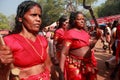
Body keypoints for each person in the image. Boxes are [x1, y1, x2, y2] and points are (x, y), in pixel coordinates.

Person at [0, 1, 52, 80]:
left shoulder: (42, 40)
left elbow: (48, 65)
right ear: (20, 18)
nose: (38, 19)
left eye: (39, 16)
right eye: (33, 15)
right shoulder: (8, 41)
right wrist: (2, 66)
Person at [59, 11, 101, 80]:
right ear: (73, 21)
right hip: (75, 66)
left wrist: (97, 38)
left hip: (88, 64)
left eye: (83, 19)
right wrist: (61, 73)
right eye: (79, 19)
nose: (82, 21)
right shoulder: (70, 34)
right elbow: (63, 53)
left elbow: (89, 47)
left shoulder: (85, 33)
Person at [51, 15, 69, 80]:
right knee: (63, 69)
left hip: (67, 52)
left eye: (68, 23)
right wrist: (55, 56)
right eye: (66, 22)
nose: (67, 24)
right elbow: (54, 44)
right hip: (60, 53)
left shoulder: (67, 31)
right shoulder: (58, 31)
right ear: (62, 22)